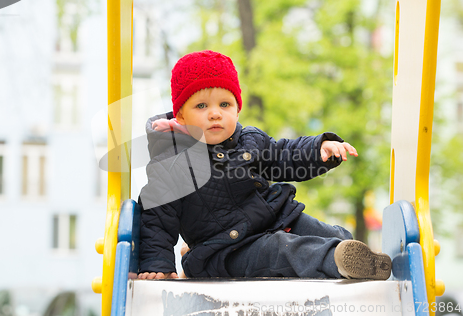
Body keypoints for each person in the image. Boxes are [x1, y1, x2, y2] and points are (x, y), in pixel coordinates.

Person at [137, 50, 391, 280]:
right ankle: (338, 260)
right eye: (201, 105)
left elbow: (284, 155)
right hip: (227, 249)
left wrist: (318, 149)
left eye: (224, 104)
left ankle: (359, 254)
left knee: (322, 231)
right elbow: (157, 217)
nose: (215, 113)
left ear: (237, 110)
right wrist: (157, 263)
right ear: (181, 114)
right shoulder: (172, 162)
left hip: (276, 218)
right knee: (281, 250)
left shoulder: (250, 141)